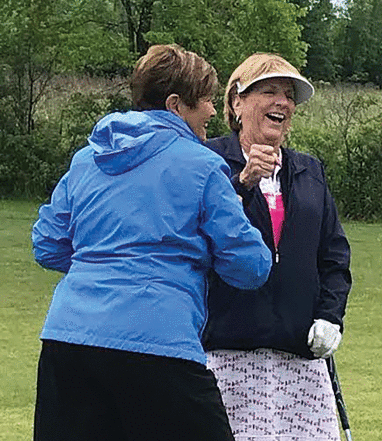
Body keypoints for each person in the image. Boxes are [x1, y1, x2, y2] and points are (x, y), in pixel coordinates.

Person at [31, 44, 273, 441]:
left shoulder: (87, 159)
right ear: (177, 104)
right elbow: (250, 267)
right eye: (208, 100)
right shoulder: (203, 165)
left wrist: (104, 261)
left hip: (68, 340)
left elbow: (48, 243)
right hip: (159, 343)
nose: (213, 111)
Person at [202, 53, 352, 440]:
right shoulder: (210, 161)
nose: (282, 103)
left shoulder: (309, 171)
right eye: (268, 91)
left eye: (289, 95)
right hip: (226, 356)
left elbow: (334, 257)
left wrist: (330, 316)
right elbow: (197, 234)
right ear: (237, 101)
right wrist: (243, 182)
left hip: (298, 359)